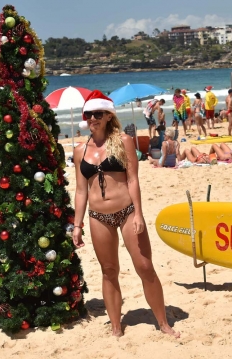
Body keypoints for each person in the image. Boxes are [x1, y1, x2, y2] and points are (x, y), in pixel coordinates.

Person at [73, 90, 179, 338]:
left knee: (144, 266)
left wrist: (139, 214)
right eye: (89, 115)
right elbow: (80, 191)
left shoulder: (123, 141)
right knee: (109, 271)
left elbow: (133, 180)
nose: (92, 119)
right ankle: (116, 327)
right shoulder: (80, 150)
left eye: (98, 114)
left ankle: (163, 323)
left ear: (109, 116)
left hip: (127, 211)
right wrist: (76, 225)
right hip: (98, 216)